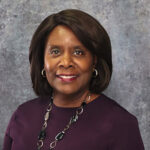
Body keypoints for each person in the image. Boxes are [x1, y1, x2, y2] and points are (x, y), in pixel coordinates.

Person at [3, 9, 145, 150]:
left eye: (78, 52)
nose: (66, 62)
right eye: (55, 52)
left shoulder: (121, 124)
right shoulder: (23, 115)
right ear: (42, 59)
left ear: (94, 61)